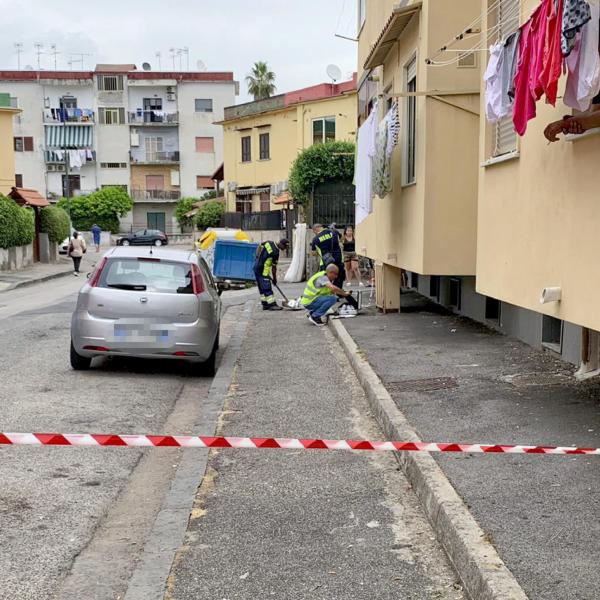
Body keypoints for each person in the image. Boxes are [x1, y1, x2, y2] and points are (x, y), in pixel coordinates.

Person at [254, 238, 290, 311]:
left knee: (262, 288)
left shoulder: (269, 242)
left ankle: (265, 304)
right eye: (285, 247)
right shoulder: (276, 252)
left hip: (256, 268)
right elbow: (274, 268)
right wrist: (274, 279)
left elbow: (260, 246)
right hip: (263, 271)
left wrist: (257, 257)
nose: (285, 249)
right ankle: (272, 305)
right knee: (267, 288)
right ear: (281, 244)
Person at [311, 223, 346, 288]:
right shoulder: (334, 231)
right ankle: (338, 294)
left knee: (325, 279)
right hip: (339, 259)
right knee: (338, 277)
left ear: (315, 230)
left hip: (325, 262)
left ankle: (328, 293)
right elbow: (342, 239)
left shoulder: (315, 239)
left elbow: (314, 253)